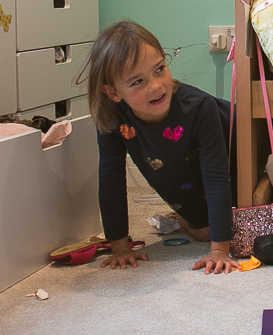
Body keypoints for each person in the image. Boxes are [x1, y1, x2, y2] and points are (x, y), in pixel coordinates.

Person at [81, 20, 239, 274]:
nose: (155, 86)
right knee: (200, 228)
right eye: (137, 82)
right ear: (112, 93)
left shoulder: (199, 107)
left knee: (207, 233)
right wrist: (120, 247)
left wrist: (220, 249)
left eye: (159, 69)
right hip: (184, 172)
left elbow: (217, 177)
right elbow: (111, 179)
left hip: (239, 155)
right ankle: (188, 218)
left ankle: (191, 220)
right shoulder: (113, 118)